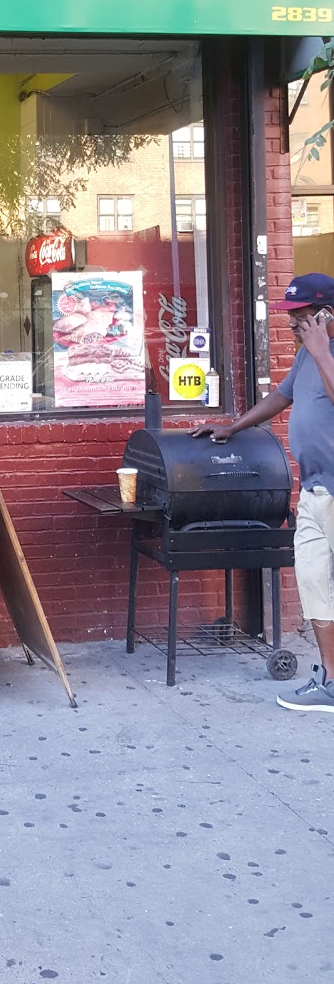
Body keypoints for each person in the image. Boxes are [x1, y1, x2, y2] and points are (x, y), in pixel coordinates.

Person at [192, 271, 334, 714]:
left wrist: (322, 349)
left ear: (327, 314)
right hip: (314, 492)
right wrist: (232, 426)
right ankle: (330, 679)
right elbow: (281, 396)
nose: (293, 324)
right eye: (291, 317)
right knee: (313, 582)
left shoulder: (321, 351)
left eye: (302, 316)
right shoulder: (306, 357)